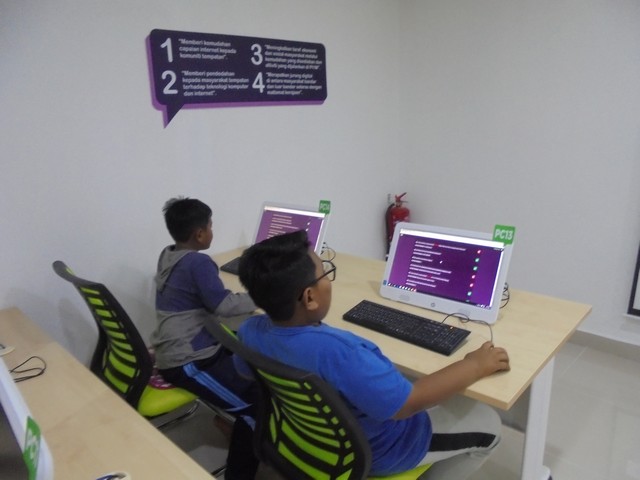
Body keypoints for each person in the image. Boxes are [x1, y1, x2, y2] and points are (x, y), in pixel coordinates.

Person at [236, 230, 511, 479]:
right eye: (325, 273)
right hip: (383, 449)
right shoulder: (344, 353)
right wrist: (474, 365)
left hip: (302, 435)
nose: (329, 280)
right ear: (309, 297)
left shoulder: (249, 330)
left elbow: (243, 371)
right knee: (490, 424)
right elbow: (408, 404)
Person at [149, 197, 259, 480]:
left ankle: (235, 428)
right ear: (199, 234)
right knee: (255, 408)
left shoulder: (169, 254)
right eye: (210, 226)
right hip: (187, 361)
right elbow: (223, 306)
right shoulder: (198, 263)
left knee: (249, 359)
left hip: (189, 345)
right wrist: (263, 296)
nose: (212, 231)